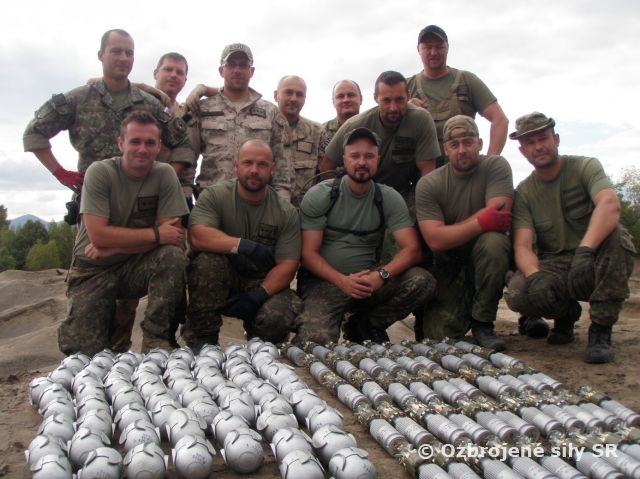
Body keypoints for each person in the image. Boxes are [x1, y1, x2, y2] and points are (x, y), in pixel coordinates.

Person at [23, 29, 193, 353]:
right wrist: (61, 173)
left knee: (126, 311)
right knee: (83, 345)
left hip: (140, 214)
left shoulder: (148, 104)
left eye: (129, 53)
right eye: (116, 51)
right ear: (101, 55)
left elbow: (183, 142)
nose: (123, 58)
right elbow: (34, 133)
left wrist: (163, 178)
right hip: (97, 204)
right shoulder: (77, 98)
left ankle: (137, 348)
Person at [504, 112, 636, 363]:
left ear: (556, 139)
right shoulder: (524, 191)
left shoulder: (586, 167)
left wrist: (586, 250)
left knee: (618, 237)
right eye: (530, 142)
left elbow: (609, 205)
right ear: (523, 151)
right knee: (519, 292)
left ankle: (601, 329)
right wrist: (535, 277)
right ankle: (565, 314)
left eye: (543, 138)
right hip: (557, 265)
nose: (538, 147)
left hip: (593, 258)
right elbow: (522, 245)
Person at [58, 110, 189, 355]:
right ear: (121, 143)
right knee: (83, 354)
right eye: (135, 141)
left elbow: (172, 236)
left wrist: (115, 246)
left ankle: (156, 339)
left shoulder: (165, 174)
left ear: (159, 146)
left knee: (172, 255)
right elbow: (98, 236)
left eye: (150, 142)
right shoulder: (100, 172)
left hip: (135, 266)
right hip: (94, 268)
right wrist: (155, 235)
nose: (142, 149)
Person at [294, 127, 435, 345]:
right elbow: (307, 254)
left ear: (378, 160)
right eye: (355, 156)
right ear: (344, 159)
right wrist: (342, 281)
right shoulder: (321, 195)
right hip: (324, 282)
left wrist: (381, 275)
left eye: (369, 156)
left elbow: (412, 249)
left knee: (422, 281)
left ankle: (365, 325)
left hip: (369, 281)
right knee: (315, 342)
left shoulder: (388, 197)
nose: (362, 162)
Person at [184, 139, 301, 350]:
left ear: (272, 169)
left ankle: (261, 348)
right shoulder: (214, 196)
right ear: (235, 165)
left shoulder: (286, 212)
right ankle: (204, 340)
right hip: (222, 279)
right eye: (248, 163)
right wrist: (243, 245)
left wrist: (258, 295)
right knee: (206, 262)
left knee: (277, 317)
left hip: (262, 282)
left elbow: (288, 265)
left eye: (262, 164)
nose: (254, 170)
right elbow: (198, 236)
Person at [416, 115, 514, 350]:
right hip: (450, 263)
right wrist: (481, 221)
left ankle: (483, 323)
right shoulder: (429, 184)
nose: (462, 150)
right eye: (454, 144)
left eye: (468, 142)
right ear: (445, 149)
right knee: (437, 337)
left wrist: (453, 231)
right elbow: (435, 240)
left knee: (494, 242)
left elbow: (499, 217)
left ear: (479, 143)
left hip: (485, 256)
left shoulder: (496, 166)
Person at [320, 71, 440, 212]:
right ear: (376, 98)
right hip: (360, 192)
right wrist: (344, 197)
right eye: (386, 100)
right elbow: (327, 166)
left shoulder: (421, 119)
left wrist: (423, 210)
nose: (393, 108)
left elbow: (427, 172)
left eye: (399, 100)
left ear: (408, 96)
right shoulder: (355, 124)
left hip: (402, 192)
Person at [186, 43, 290, 200]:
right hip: (212, 200)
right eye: (231, 65)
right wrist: (185, 196)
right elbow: (188, 158)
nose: (237, 70)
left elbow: (282, 166)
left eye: (243, 65)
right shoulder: (202, 108)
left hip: (256, 201)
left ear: (251, 71)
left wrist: (282, 202)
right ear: (221, 70)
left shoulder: (270, 112)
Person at [407, 25, 508, 166]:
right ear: (418, 49)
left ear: (447, 48)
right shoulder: (407, 87)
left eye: (439, 47)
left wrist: (489, 163)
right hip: (422, 170)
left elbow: (500, 120)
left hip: (465, 168)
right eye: (428, 47)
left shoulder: (467, 81)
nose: (434, 52)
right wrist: (406, 110)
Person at [152, 52, 199, 208]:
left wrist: (202, 89)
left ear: (185, 80)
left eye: (179, 72)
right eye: (168, 69)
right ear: (155, 73)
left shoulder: (188, 113)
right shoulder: (136, 105)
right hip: (141, 190)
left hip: (179, 195)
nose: (173, 75)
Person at [274, 75, 323, 207]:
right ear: (276, 95)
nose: (294, 99)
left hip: (305, 211)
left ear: (305, 99)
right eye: (288, 92)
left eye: (299, 95)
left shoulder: (318, 132)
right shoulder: (264, 128)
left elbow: (325, 176)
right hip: (268, 210)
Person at [319, 79, 363, 157]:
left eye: (351, 95)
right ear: (333, 102)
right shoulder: (320, 133)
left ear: (361, 99)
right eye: (340, 96)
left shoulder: (374, 127)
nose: (346, 100)